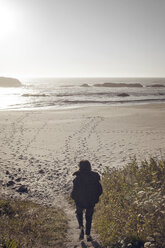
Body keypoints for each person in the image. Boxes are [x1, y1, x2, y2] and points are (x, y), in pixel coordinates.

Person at [71, 160, 103, 241]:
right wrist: (96, 198)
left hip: (80, 200)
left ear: (80, 167)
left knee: (79, 213)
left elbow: (74, 191)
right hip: (91, 200)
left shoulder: (77, 178)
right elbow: (100, 190)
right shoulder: (95, 176)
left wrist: (74, 198)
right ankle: (88, 235)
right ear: (89, 166)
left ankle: (81, 226)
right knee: (89, 217)